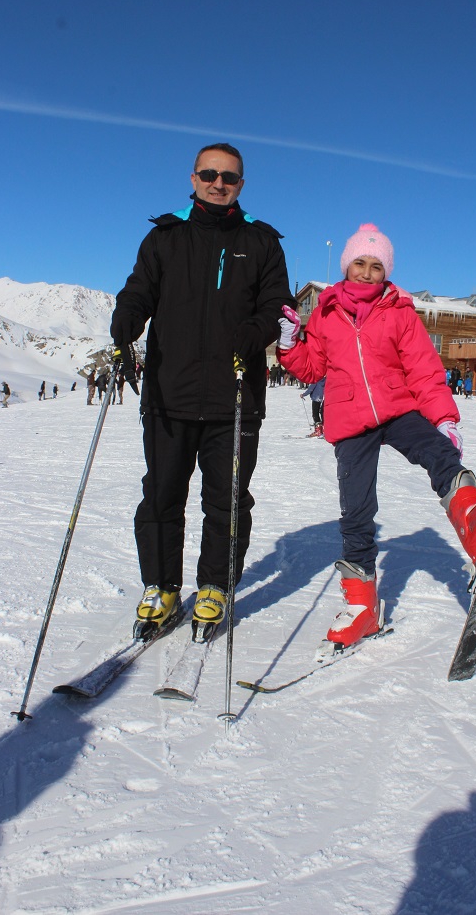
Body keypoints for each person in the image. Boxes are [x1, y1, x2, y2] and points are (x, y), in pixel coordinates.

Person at [277, 223, 476, 652]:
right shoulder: (324, 313)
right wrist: (289, 344)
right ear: (346, 266)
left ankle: (472, 519)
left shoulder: (399, 310)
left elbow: (424, 370)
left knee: (438, 451)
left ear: (386, 272)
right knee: (356, 510)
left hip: (398, 407)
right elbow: (310, 368)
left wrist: (444, 419)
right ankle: (363, 606)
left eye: (376, 266)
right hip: (350, 419)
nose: (366, 272)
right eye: (359, 263)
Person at [111, 142, 294, 636]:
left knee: (228, 500)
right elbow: (138, 290)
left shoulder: (261, 241)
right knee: (161, 497)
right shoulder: (164, 237)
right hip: (169, 395)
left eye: (229, 177)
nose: (218, 183)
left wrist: (259, 330)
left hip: (235, 397)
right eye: (209, 174)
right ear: (193, 179)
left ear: (241, 185)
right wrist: (126, 317)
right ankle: (162, 587)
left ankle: (215, 587)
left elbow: (280, 304)